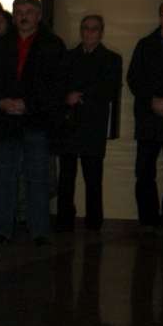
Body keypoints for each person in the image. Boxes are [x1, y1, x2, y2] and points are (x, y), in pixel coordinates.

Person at [0, 0, 65, 245]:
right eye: (19, 12)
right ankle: (1, 229)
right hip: (4, 120)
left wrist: (28, 105)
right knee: (4, 177)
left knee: (37, 178)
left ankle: (39, 230)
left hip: (37, 120)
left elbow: (57, 85)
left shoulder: (53, 45)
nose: (23, 17)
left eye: (28, 12)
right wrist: (1, 102)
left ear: (38, 15)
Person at [55, 15, 122, 232]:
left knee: (93, 177)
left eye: (94, 29)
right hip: (69, 124)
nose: (89, 32)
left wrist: (80, 95)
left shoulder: (112, 59)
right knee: (66, 177)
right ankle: (64, 220)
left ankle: (94, 222)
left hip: (94, 125)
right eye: (85, 28)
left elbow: (109, 89)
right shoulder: (67, 57)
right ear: (80, 30)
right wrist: (66, 97)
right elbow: (58, 86)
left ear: (101, 32)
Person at [127, 0, 163, 232]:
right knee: (144, 172)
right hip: (148, 118)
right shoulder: (145, 44)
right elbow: (134, 78)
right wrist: (152, 101)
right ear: (159, 16)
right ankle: (148, 220)